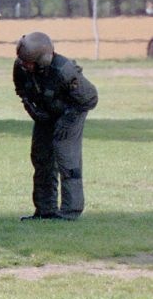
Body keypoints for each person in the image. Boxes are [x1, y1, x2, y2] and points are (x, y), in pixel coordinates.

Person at [12, 31, 98, 221]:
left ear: (42, 59)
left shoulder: (64, 70)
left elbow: (90, 98)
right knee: (41, 158)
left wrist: (67, 122)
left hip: (71, 115)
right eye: (23, 61)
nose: (24, 65)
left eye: (29, 62)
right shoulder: (21, 67)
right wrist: (32, 111)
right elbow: (22, 92)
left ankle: (70, 212)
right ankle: (45, 210)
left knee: (67, 160)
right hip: (45, 115)